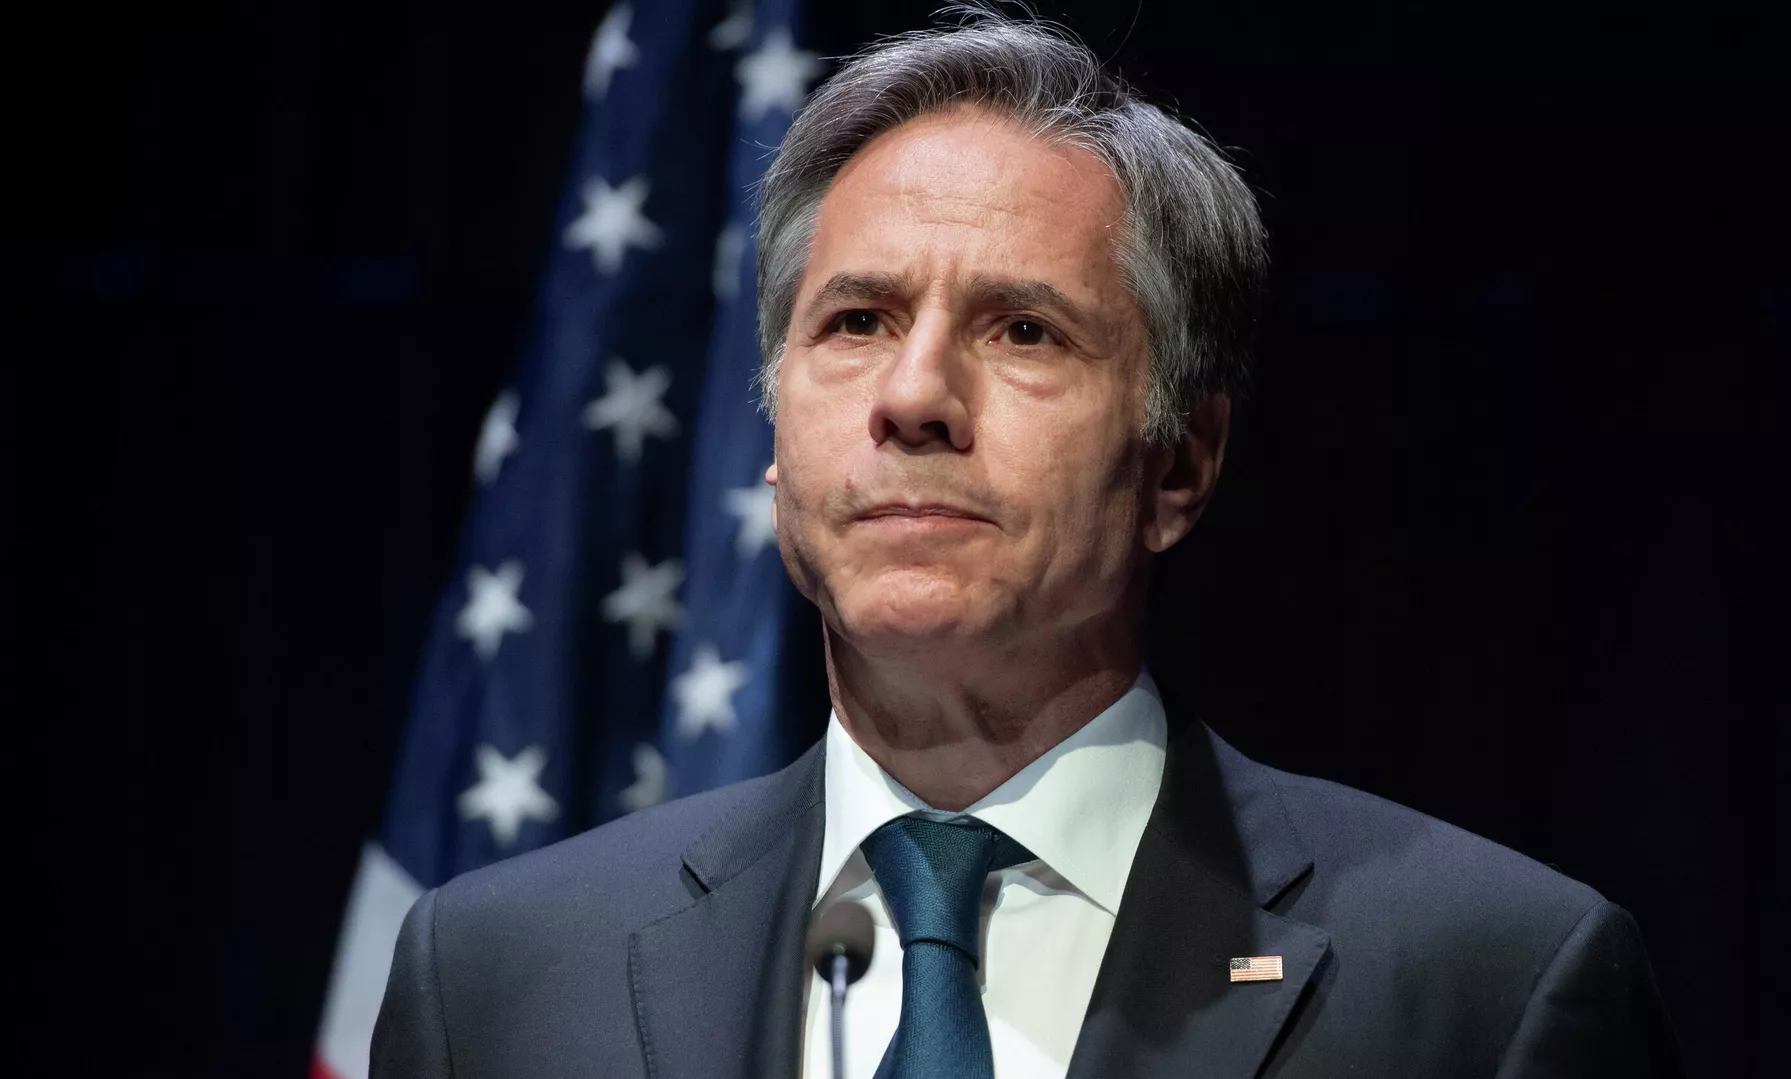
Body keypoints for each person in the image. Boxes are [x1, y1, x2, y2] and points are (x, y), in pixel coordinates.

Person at [372, 12, 1684, 1078]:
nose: (915, 397)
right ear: (774, 446)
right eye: (857, 321)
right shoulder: (496, 976)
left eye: (1024, 331)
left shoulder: (1488, 983)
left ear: (1181, 463)